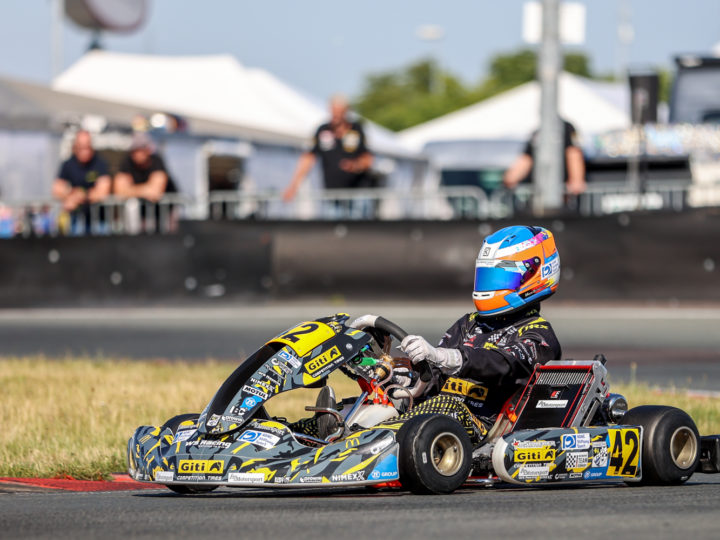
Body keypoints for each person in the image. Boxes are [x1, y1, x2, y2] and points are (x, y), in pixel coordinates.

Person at [351, 225, 562, 442]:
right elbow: (434, 376)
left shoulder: (538, 335)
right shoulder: (469, 324)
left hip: (483, 427)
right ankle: (333, 434)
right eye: (487, 276)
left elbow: (502, 363)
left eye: (501, 277)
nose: (490, 285)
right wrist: (403, 378)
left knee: (443, 408)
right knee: (365, 404)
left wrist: (449, 357)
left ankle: (369, 439)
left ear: (535, 274)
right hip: (435, 419)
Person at [282, 95, 373, 205]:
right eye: (333, 111)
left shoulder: (357, 129)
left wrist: (355, 166)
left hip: (356, 193)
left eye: (339, 111)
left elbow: (368, 159)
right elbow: (308, 158)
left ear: (346, 111)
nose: (335, 114)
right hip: (331, 194)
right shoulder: (323, 130)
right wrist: (293, 186)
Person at [503, 120, 587, 196]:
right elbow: (526, 158)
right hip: (538, 190)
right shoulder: (538, 131)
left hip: (562, 192)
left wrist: (576, 180)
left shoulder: (566, 127)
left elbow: (574, 153)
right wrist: (511, 178)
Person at [52, 130, 111, 232]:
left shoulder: (100, 163)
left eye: (87, 146)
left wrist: (84, 194)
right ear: (75, 146)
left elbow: (103, 190)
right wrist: (71, 195)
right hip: (76, 219)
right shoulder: (68, 164)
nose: (85, 150)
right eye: (81, 146)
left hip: (98, 219)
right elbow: (57, 189)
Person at [114, 132, 176, 202]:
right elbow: (120, 192)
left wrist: (130, 190)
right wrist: (146, 190)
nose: (137, 154)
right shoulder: (127, 162)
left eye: (141, 149)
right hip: (142, 210)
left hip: (166, 210)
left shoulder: (157, 161)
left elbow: (155, 192)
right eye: (134, 150)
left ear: (148, 150)